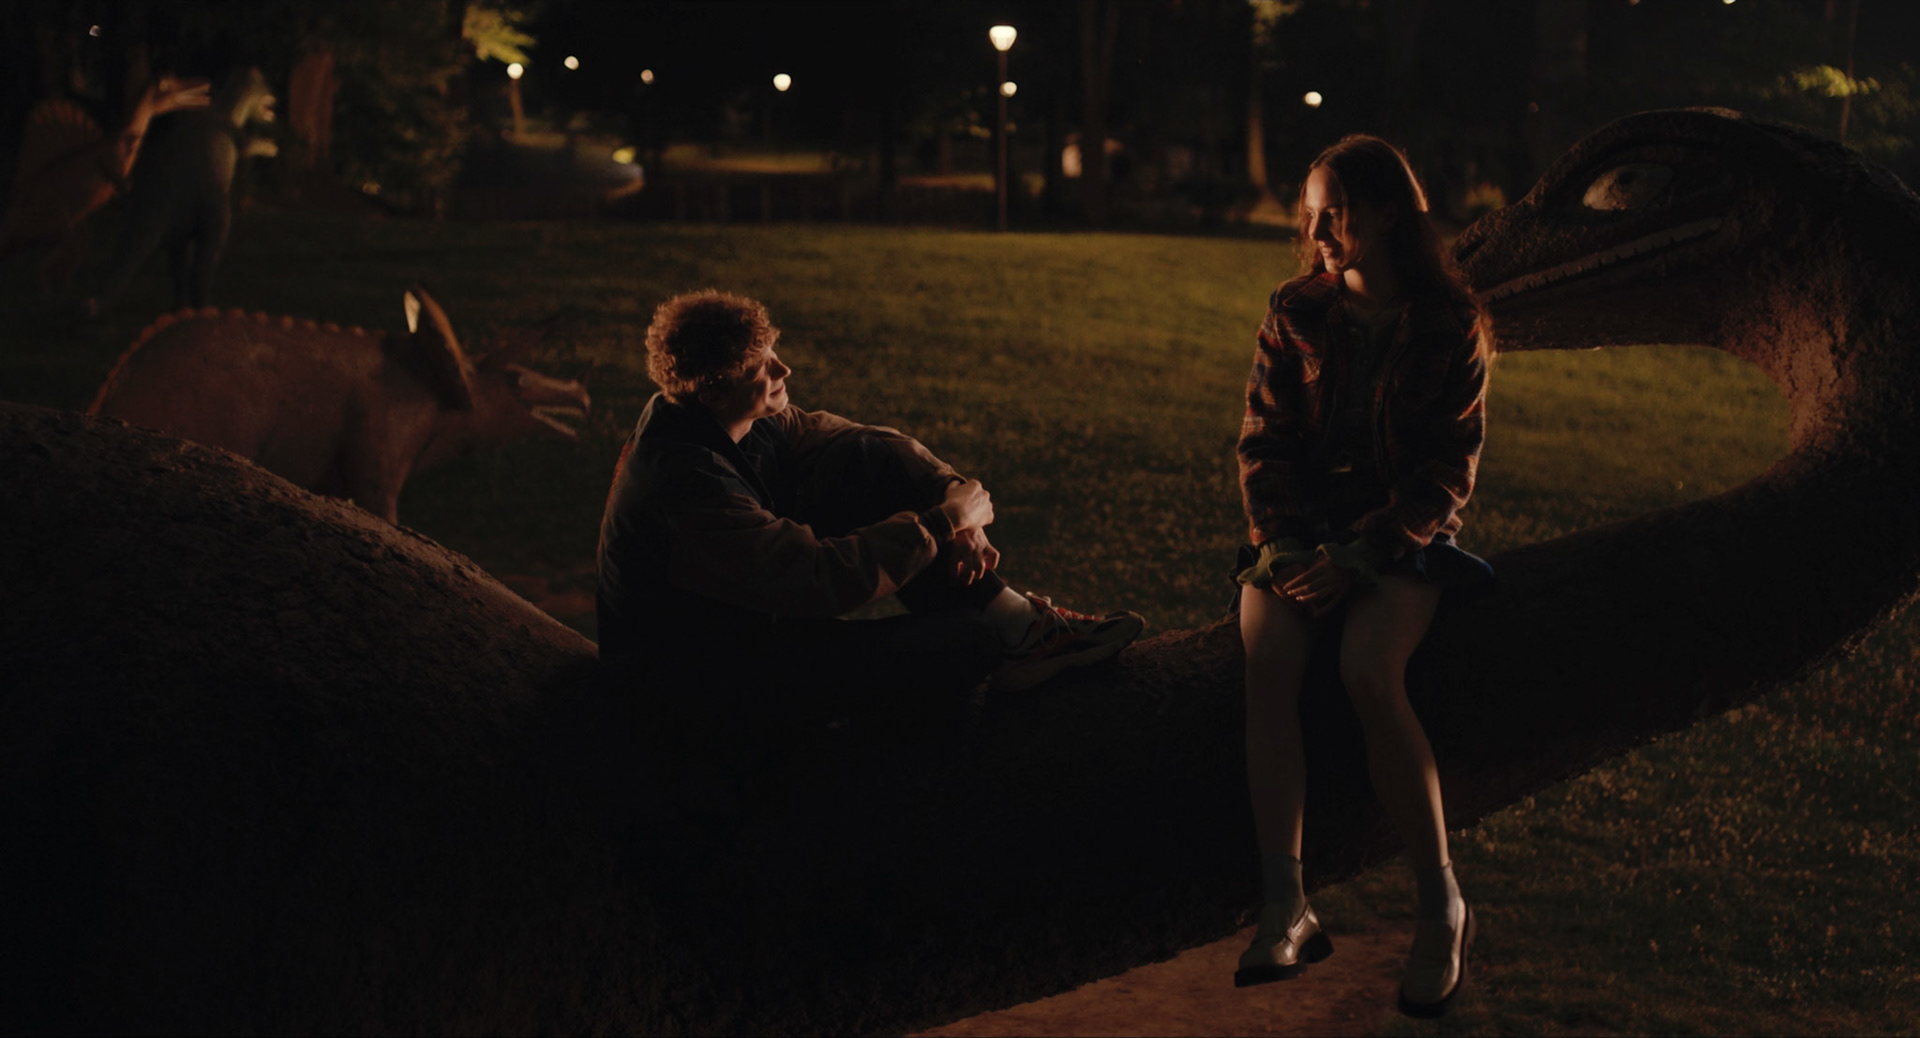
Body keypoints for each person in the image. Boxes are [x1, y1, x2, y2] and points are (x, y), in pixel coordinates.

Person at [595, 290, 1145, 750]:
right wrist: (940, 524)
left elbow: (859, 442)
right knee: (966, 643)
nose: (784, 369)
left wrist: (952, 497)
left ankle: (1020, 627)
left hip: (748, 628)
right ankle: (863, 788)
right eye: (763, 366)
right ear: (716, 386)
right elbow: (815, 577)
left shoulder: (717, 415)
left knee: (861, 463)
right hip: (704, 684)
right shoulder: (688, 486)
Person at [1231, 135, 1493, 1018]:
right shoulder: (1296, 309)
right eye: (1311, 214)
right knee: (1268, 662)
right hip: (1300, 536)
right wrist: (1284, 547)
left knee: (1368, 673)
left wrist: (1362, 555)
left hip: (1397, 539)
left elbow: (1448, 472)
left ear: (1386, 213)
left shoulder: (1449, 322)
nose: (1315, 231)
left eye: (1333, 213)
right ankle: (1285, 904)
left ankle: (1441, 904)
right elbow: (1264, 442)